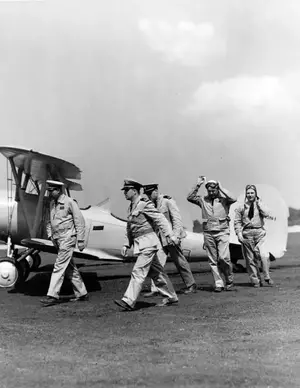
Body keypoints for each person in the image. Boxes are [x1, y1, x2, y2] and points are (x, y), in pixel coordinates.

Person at [114, 179, 178, 311]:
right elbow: (130, 228)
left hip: (148, 243)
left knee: (138, 271)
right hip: (141, 244)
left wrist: (170, 235)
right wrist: (127, 244)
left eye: (127, 190)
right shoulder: (131, 207)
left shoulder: (144, 204)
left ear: (135, 191)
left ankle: (128, 300)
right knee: (157, 273)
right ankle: (171, 297)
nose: (124, 193)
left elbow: (160, 219)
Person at [40, 180, 88, 306]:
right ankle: (82, 293)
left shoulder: (69, 202)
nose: (49, 193)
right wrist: (50, 236)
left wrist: (81, 240)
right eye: (48, 190)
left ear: (58, 190)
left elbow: (79, 221)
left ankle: (52, 295)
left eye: (51, 190)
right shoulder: (52, 204)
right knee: (69, 267)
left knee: (59, 266)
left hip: (67, 238)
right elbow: (49, 221)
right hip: (57, 239)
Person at [142, 184, 197, 296]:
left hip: (171, 238)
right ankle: (156, 289)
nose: (148, 196)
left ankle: (191, 285)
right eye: (147, 194)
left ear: (156, 191)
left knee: (180, 262)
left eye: (150, 193)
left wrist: (176, 236)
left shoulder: (167, 201)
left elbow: (176, 220)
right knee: (158, 264)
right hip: (160, 238)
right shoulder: (150, 205)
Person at [187, 176, 236, 292]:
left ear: (217, 189)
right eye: (209, 190)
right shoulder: (202, 200)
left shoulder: (224, 200)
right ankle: (219, 283)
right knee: (212, 260)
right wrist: (198, 184)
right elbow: (190, 197)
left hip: (223, 231)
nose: (211, 192)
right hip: (208, 232)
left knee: (224, 258)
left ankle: (229, 279)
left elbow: (233, 198)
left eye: (214, 190)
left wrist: (222, 188)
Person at [234, 184, 276, 287]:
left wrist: (259, 203)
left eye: (252, 193)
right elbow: (237, 222)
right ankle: (256, 281)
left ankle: (267, 276)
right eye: (248, 193)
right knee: (250, 259)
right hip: (247, 234)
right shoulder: (241, 207)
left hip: (259, 233)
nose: (250, 195)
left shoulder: (260, 205)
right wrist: (239, 234)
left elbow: (267, 214)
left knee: (263, 255)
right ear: (246, 194)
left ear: (255, 194)